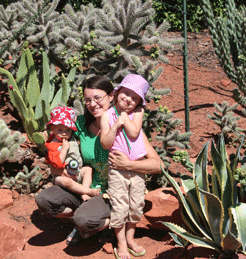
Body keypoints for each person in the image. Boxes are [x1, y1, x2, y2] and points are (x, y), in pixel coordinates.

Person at [35, 76, 163, 253]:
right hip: (84, 187)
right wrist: (59, 166)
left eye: (97, 98)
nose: (92, 104)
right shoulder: (79, 125)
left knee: (85, 218)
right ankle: (86, 222)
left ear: (112, 96)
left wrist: (127, 165)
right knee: (44, 199)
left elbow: (157, 165)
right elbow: (58, 145)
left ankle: (97, 223)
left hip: (111, 194)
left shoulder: (127, 125)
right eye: (87, 100)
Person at [100, 74, 149, 258]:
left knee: (136, 205)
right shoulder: (107, 116)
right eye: (126, 93)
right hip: (117, 169)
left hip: (136, 168)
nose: (128, 99)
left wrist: (124, 118)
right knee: (120, 206)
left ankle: (130, 239)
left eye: (134, 98)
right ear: (117, 92)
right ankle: (120, 243)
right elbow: (106, 143)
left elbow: (135, 132)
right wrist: (115, 126)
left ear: (138, 103)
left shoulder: (137, 113)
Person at [45, 106, 100, 197]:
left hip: (77, 170)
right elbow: (57, 164)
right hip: (63, 174)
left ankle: (83, 192)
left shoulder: (71, 137)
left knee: (88, 170)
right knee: (66, 181)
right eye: (60, 130)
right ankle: (87, 191)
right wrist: (64, 149)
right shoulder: (52, 145)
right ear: (52, 128)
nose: (64, 133)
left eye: (68, 130)